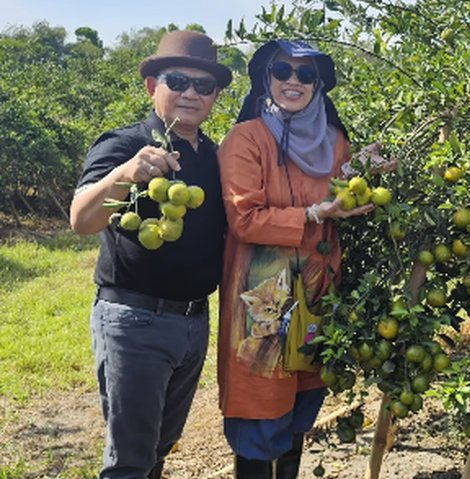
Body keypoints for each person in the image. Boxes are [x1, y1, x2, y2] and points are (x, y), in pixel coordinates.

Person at [70, 30, 232, 479]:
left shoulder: (216, 157)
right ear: (152, 87)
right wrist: (126, 173)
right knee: (130, 460)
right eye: (177, 81)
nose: (190, 93)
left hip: (193, 323)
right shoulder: (124, 143)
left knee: (159, 447)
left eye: (203, 86)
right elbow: (82, 219)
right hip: (133, 321)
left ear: (215, 95)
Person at [217, 39, 375, 479]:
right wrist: (311, 214)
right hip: (261, 303)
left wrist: (368, 173)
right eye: (282, 71)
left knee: (302, 401)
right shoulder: (246, 139)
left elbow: (343, 190)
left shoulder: (334, 140)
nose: (293, 81)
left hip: (319, 293)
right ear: (266, 79)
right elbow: (244, 219)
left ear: (319, 84)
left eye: (306, 75)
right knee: (261, 408)